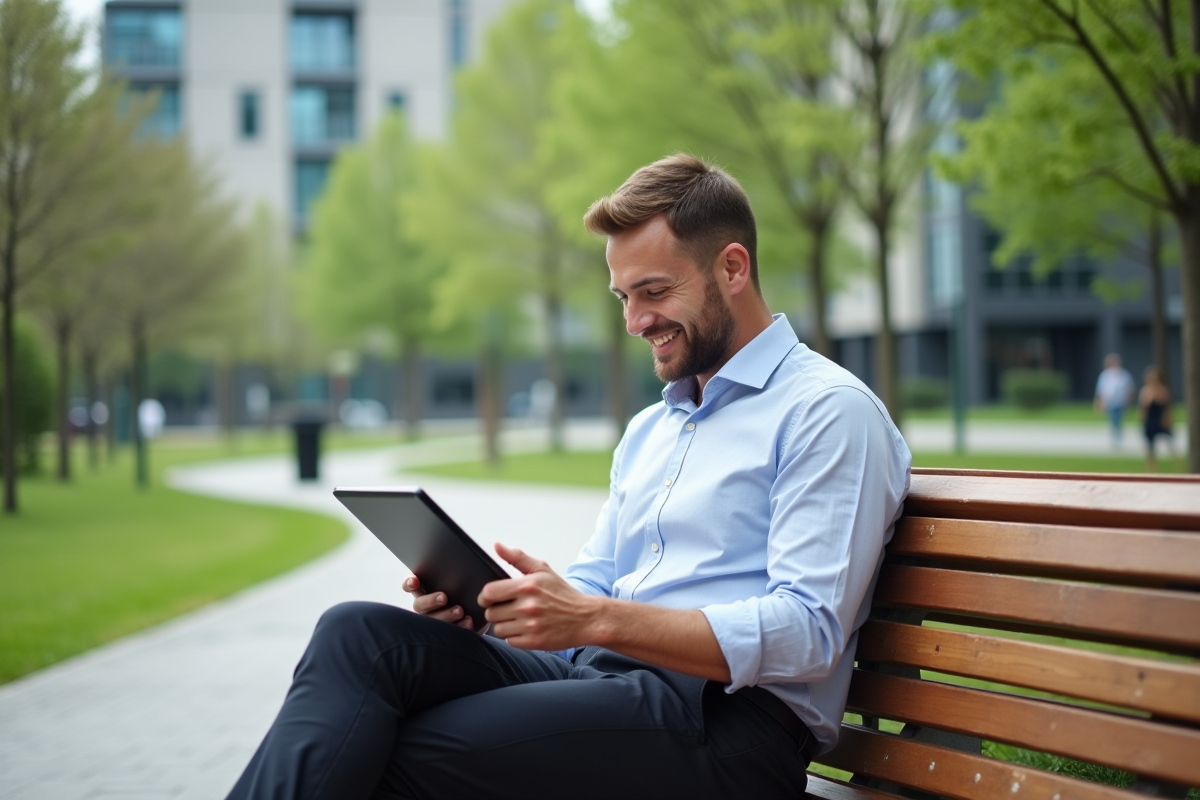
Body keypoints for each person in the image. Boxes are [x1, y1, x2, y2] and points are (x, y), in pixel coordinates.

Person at [224, 155, 911, 800]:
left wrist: (595, 617)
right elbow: (597, 586)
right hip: (604, 684)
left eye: (654, 291)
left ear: (732, 267)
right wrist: (507, 608)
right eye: (622, 296)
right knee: (360, 636)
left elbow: (808, 631)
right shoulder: (654, 429)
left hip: (730, 725)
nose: (635, 321)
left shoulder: (826, 412)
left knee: (388, 750)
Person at [1139, 365, 1175, 473]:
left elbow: (1166, 407)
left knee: (1170, 442)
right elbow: (1143, 408)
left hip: (1159, 420)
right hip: (1150, 420)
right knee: (1150, 447)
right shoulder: (1145, 390)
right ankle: (1151, 469)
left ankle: (1178, 465)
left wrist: (1168, 420)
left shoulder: (1163, 390)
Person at [1094, 353, 1134, 448]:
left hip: (1120, 401)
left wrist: (1129, 401)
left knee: (1118, 419)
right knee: (1113, 420)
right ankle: (1116, 438)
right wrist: (1099, 403)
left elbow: (1129, 388)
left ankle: (1117, 437)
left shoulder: (1123, 374)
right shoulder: (1105, 375)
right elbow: (1100, 390)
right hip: (1110, 402)